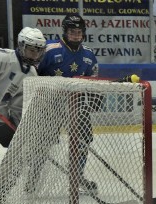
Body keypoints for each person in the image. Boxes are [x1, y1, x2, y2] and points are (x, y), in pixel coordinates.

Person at [35, 14, 99, 193]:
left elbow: (93, 76)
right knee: (43, 142)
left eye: (79, 32)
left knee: (84, 138)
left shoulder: (88, 54)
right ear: (65, 32)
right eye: (72, 32)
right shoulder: (49, 49)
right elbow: (33, 74)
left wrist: (94, 93)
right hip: (49, 105)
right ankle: (34, 174)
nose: (76, 36)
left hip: (76, 104)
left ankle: (78, 175)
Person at [0, 27, 46, 204]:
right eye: (32, 49)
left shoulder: (31, 74)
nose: (35, 54)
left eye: (39, 50)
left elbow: (17, 106)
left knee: (17, 159)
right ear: (21, 45)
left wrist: (23, 127)